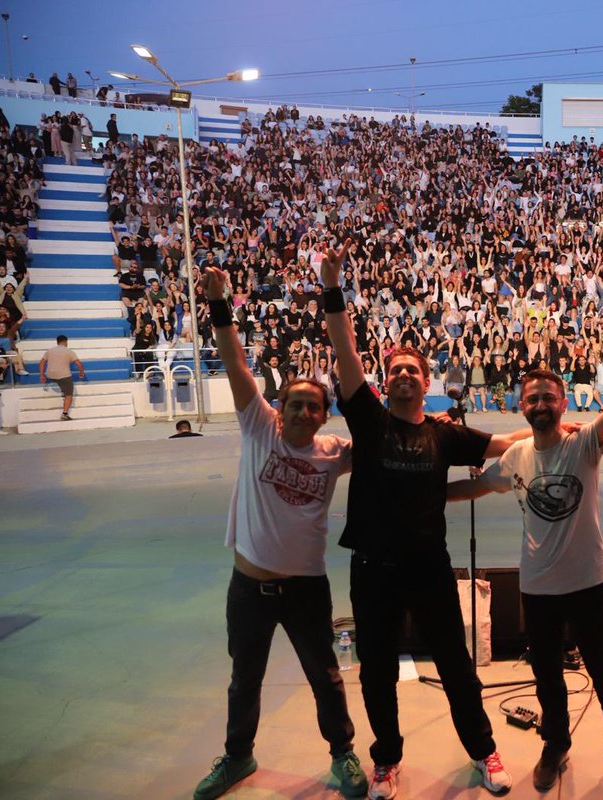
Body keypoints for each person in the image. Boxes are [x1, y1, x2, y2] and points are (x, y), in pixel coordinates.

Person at [321, 239, 524, 800]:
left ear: (427, 381)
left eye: (414, 367)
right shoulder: (368, 420)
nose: (405, 373)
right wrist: (332, 287)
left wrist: (554, 432)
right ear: (386, 382)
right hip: (373, 569)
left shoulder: (444, 434)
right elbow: (345, 352)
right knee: (378, 672)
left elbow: (503, 443)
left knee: (458, 668)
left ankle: (484, 752)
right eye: (396, 369)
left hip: (431, 568)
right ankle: (387, 760)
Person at [446, 346, 603, 800]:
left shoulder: (583, 444)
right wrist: (424, 494)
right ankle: (555, 746)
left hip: (588, 583)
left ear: (564, 404)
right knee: (547, 679)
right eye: (533, 398)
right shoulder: (516, 457)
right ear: (521, 406)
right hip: (537, 588)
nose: (541, 404)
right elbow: (476, 487)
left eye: (549, 397)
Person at [191, 266, 366, 800]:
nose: (304, 412)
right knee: (245, 678)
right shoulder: (257, 426)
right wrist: (219, 302)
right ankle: (239, 757)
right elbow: (234, 359)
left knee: (326, 678)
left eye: (315, 406)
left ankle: (343, 754)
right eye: (296, 403)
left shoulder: (333, 453)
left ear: (324, 414)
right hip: (249, 587)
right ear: (279, 406)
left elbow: (386, 451)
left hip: (306, 589)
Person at [39, 335, 85, 420]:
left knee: (62, 380)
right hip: (63, 376)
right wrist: (81, 372)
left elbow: (42, 363)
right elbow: (79, 364)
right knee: (69, 394)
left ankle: (63, 390)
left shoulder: (50, 350)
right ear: (66, 342)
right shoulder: (69, 351)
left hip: (50, 375)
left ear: (57, 342)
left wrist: (42, 375)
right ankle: (65, 414)